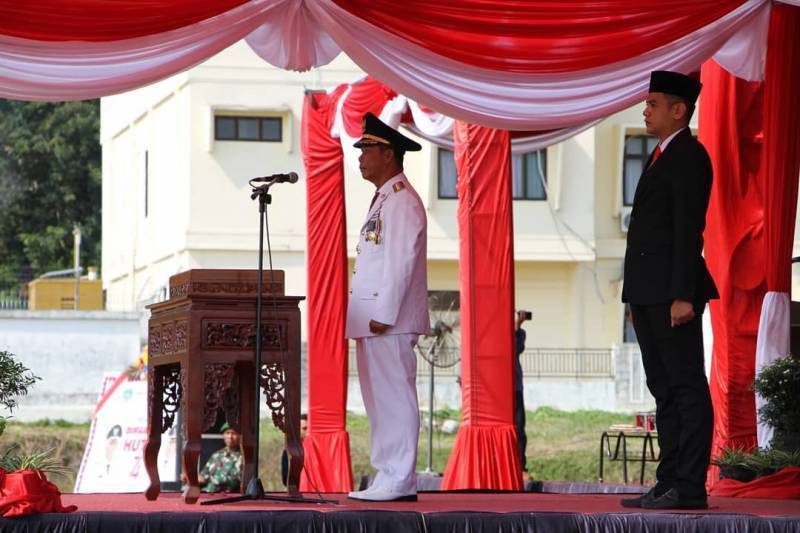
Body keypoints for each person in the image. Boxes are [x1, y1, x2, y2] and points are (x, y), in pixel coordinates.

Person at [621, 71, 718, 510]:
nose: (646, 109)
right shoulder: (660, 154)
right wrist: (633, 296)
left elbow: (687, 231)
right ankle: (668, 480)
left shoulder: (690, 156)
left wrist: (681, 294)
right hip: (648, 293)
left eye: (654, 103)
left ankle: (690, 485)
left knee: (685, 388)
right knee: (663, 389)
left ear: (679, 109)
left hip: (672, 294)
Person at [345, 112, 429, 502]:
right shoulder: (383, 200)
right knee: (378, 400)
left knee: (394, 395)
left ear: (390, 154)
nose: (360, 155)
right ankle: (387, 473)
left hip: (387, 320)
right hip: (373, 318)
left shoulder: (402, 201)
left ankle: (401, 477)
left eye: (368, 148)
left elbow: (401, 261)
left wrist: (385, 312)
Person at [184, 423, 243, 493]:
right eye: (227, 433)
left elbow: (234, 481)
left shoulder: (242, 457)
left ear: (239, 436)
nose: (230, 436)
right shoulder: (217, 455)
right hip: (207, 493)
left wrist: (208, 479)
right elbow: (204, 475)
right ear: (224, 435)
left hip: (228, 496)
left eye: (233, 433)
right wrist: (191, 478)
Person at [514, 310, 530, 481]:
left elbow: (517, 348)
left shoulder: (519, 334)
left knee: (520, 428)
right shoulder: (498, 335)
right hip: (501, 389)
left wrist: (518, 327)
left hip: (515, 387)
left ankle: (520, 464)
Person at [281, 413, 307, 486]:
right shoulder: (289, 451)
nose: (307, 432)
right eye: (304, 429)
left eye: (309, 429)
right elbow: (285, 480)